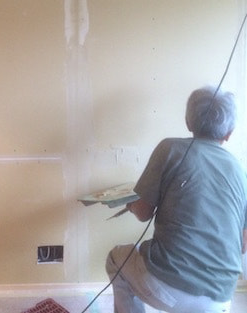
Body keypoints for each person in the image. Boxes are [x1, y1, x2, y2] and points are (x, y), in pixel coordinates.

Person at [106, 86, 247, 313]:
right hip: (221, 299)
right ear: (229, 133)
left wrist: (132, 204)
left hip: (171, 289)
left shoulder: (170, 148)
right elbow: (243, 245)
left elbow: (143, 213)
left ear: (188, 122)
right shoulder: (241, 172)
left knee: (115, 259)